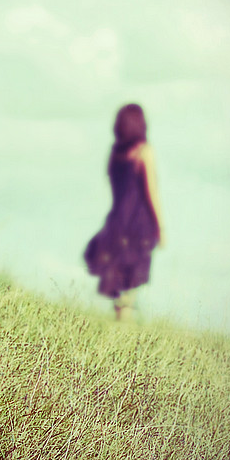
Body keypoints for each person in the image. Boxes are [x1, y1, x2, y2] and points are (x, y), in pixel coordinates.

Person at [84, 103, 165, 321]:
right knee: (129, 292)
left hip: (117, 224)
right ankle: (122, 332)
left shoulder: (115, 154)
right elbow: (152, 193)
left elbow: (114, 190)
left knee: (120, 288)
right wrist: (161, 228)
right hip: (140, 226)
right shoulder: (144, 152)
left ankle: (117, 330)